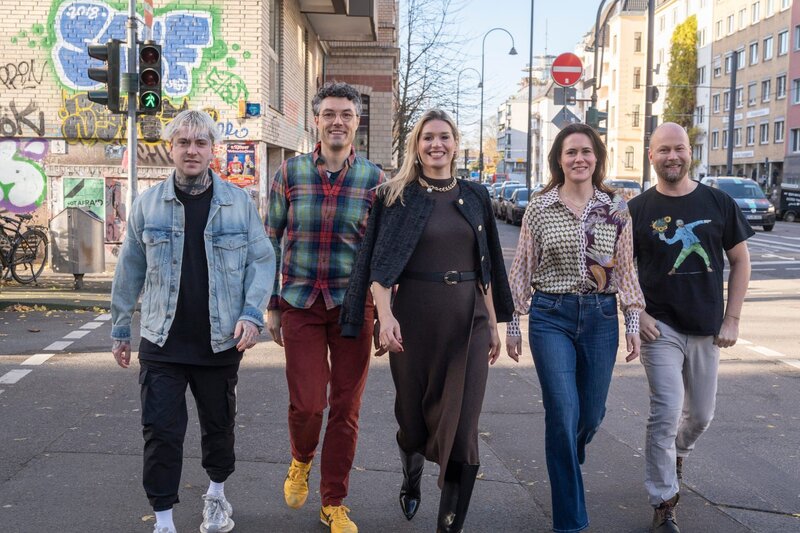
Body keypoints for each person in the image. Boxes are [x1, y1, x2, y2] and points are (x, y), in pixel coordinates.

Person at [340, 108, 514, 532]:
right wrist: (385, 318)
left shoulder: (476, 196)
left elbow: (486, 265)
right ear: (416, 147)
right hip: (414, 320)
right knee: (413, 417)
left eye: (444, 137)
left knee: (464, 425)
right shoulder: (395, 196)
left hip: (467, 320)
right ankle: (411, 472)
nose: (436, 144)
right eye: (427, 138)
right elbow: (378, 267)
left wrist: (493, 323)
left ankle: (448, 525)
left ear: (456, 143)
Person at [110, 109, 275, 533]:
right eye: (183, 142)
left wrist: (252, 314)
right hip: (162, 342)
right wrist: (120, 327)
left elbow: (261, 260)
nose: (192, 150)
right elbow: (129, 268)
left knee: (218, 429)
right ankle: (163, 520)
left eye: (201, 143)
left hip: (220, 341)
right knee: (160, 433)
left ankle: (216, 496)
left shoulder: (238, 202)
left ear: (212, 150)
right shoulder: (148, 204)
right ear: (171, 148)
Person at [505, 122, 644, 533]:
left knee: (591, 415)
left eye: (586, 151)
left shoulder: (617, 207)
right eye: (571, 152)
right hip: (551, 316)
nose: (579, 158)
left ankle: (570, 448)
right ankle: (570, 522)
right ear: (559, 160)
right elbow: (523, 266)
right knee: (562, 411)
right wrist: (513, 321)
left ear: (597, 157)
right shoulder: (539, 206)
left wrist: (632, 318)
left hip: (601, 318)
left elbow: (626, 268)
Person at [265, 82, 384, 533]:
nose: (338, 121)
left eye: (347, 114)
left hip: (354, 308)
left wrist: (383, 314)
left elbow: (380, 255)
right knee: (309, 404)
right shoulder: (290, 173)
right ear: (315, 121)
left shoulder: (374, 180)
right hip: (300, 303)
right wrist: (273, 305)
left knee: (346, 409)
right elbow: (271, 240)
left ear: (357, 122)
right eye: (329, 113)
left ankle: (333, 501)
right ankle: (300, 460)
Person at [628, 122, 752, 533]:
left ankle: (676, 454)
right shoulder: (638, 210)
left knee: (700, 414)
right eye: (663, 150)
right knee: (664, 413)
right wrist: (635, 313)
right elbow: (619, 271)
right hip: (658, 328)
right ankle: (664, 501)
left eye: (678, 148)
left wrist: (732, 318)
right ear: (651, 156)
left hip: (706, 327)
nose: (672, 157)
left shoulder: (718, 202)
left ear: (689, 152)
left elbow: (741, 260)